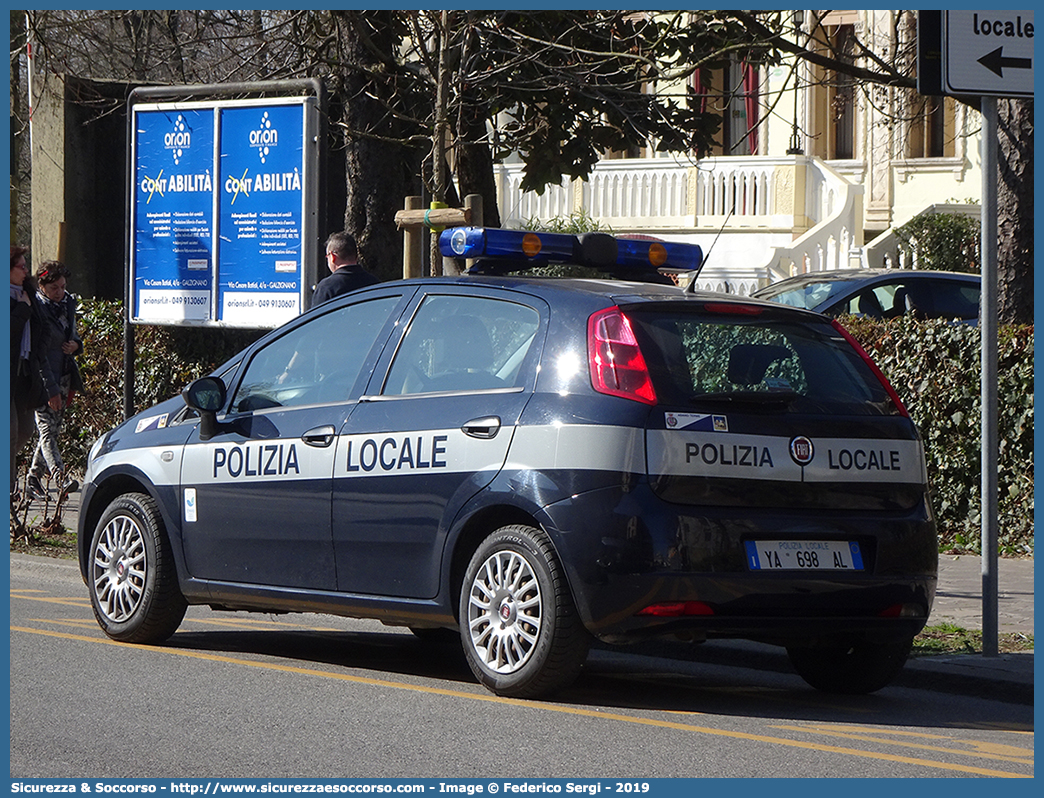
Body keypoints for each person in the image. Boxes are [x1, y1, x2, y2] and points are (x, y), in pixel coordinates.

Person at [26, 261, 84, 500]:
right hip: (42, 379)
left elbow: (73, 334)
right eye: (55, 288)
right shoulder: (36, 311)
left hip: (64, 375)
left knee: (53, 431)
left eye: (63, 286)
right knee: (47, 431)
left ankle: (32, 479)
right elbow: (37, 354)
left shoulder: (67, 303)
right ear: (42, 286)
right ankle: (60, 478)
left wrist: (76, 346)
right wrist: (50, 389)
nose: (60, 292)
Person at [10, 246, 59, 497]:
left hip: (24, 374)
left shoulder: (28, 293)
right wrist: (21, 309)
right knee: (9, 431)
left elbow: (43, 329)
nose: (26, 270)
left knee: (26, 431)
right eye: (21, 266)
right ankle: (8, 491)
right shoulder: (16, 300)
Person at [311, 231, 379, 306]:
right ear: (356, 256)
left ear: (333, 257)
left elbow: (319, 316)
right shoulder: (374, 283)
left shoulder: (326, 288)